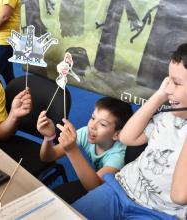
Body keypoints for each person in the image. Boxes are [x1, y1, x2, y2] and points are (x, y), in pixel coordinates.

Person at [72, 43, 187, 220]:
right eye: (168, 80)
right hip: (119, 190)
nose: (169, 89)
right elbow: (127, 137)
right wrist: (159, 96)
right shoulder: (169, 116)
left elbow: (179, 196)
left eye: (177, 83)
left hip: (158, 214)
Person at [37, 97, 133, 202]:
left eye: (102, 124)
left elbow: (95, 188)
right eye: (93, 118)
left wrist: (72, 150)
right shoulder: (85, 133)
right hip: (97, 182)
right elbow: (47, 157)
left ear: (116, 134)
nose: (92, 126)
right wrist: (49, 137)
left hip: (118, 196)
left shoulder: (119, 155)